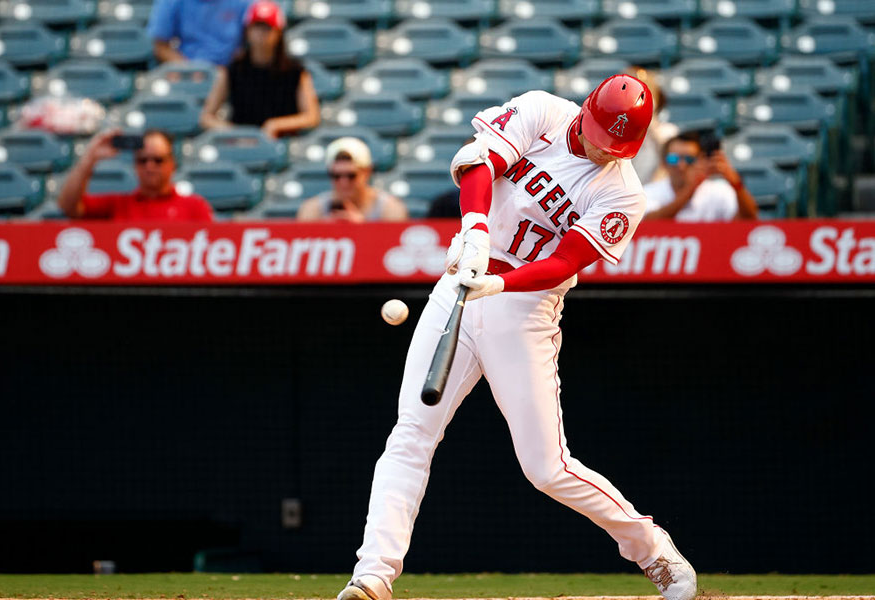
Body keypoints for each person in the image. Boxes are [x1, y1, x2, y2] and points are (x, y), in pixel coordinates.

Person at [337, 76, 697, 600]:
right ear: (587, 111)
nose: (603, 148)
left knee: (546, 467)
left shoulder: (622, 191)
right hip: (460, 281)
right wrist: (477, 229)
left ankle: (651, 548)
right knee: (412, 433)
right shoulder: (542, 111)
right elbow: (478, 165)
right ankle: (372, 575)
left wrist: (501, 281)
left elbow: (565, 262)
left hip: (525, 307)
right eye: (600, 133)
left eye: (616, 144)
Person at [201, 0, 320, 138]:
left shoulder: (295, 71)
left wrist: (277, 125)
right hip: (242, 145)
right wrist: (232, 132)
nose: (261, 34)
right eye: (257, 26)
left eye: (267, 28)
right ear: (247, 31)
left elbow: (312, 116)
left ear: (278, 33)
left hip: (282, 144)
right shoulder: (232, 70)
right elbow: (206, 117)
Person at [57, 129, 214, 221]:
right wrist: (90, 157)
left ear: (172, 164)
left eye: (158, 160)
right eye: (142, 160)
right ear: (134, 165)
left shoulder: (195, 207)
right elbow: (68, 206)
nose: (149, 166)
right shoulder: (117, 205)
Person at [643, 132, 758, 221]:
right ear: (663, 163)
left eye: (689, 159)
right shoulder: (648, 192)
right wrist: (689, 190)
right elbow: (648, 223)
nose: (681, 165)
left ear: (700, 160)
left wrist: (736, 183)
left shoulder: (718, 190)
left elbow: (748, 220)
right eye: (674, 159)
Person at [296, 137, 407, 222]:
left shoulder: (390, 210)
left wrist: (361, 230)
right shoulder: (312, 210)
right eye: (336, 176)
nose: (343, 182)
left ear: (367, 172)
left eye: (351, 176)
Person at [148, 0, 253, 66]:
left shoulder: (244, 3)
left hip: (231, 71)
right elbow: (160, 46)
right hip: (187, 71)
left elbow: (258, 40)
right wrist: (189, 70)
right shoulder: (171, 2)